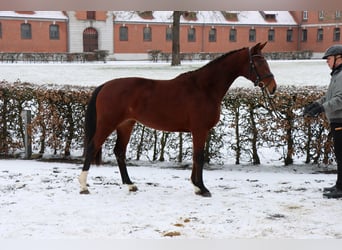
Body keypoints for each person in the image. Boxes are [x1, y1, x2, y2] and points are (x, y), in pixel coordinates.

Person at [303, 44, 342, 199]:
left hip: (340, 121)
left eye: (329, 59)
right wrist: (317, 104)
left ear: (339, 58)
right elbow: (329, 97)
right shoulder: (336, 75)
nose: (327, 62)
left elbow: (340, 99)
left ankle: (341, 188)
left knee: (341, 156)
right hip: (337, 120)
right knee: (340, 156)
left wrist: (322, 109)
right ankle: (340, 185)